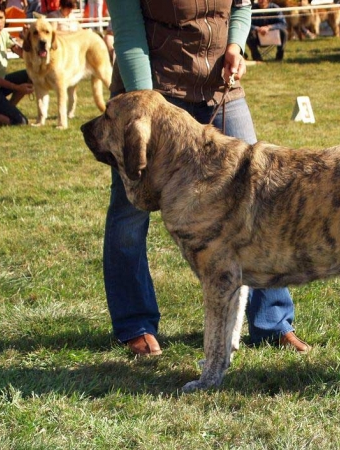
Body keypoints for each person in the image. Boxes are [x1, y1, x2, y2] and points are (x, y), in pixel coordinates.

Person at [106, 0, 310, 356]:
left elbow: (241, 7)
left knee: (260, 200)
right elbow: (128, 36)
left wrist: (235, 45)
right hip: (153, 94)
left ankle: (273, 322)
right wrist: (146, 107)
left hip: (218, 87)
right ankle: (134, 323)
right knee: (130, 211)